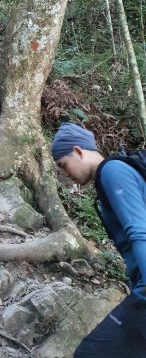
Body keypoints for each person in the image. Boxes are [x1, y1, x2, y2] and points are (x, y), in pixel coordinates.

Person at [52, 122, 146, 358]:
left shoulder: (112, 171)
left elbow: (140, 232)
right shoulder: (117, 171)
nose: (66, 174)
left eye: (64, 165)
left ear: (78, 151)